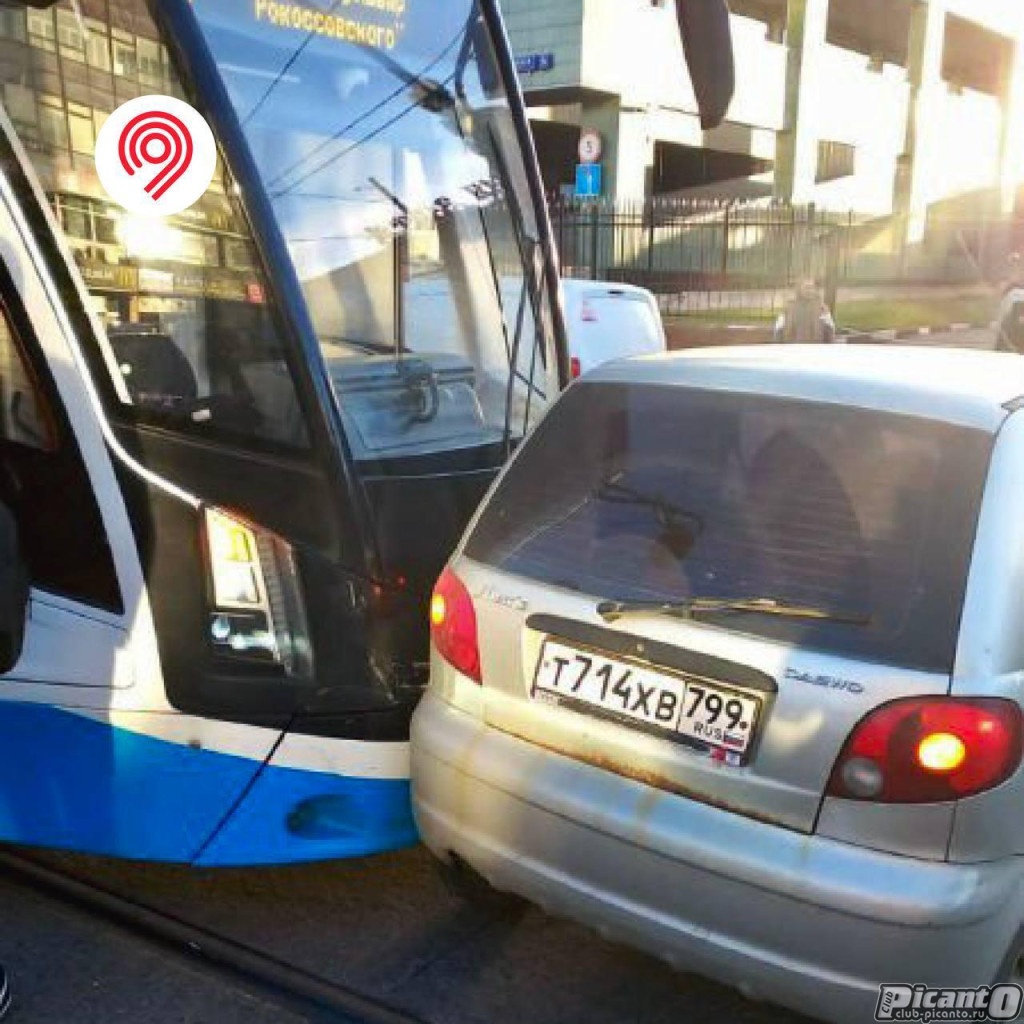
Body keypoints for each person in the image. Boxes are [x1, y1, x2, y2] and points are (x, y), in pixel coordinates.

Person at [774, 278, 837, 344]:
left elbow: (830, 329)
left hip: (816, 348)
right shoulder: (789, 307)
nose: (809, 290)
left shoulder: (822, 308)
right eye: (807, 287)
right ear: (799, 289)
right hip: (793, 348)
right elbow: (779, 329)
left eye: (811, 287)